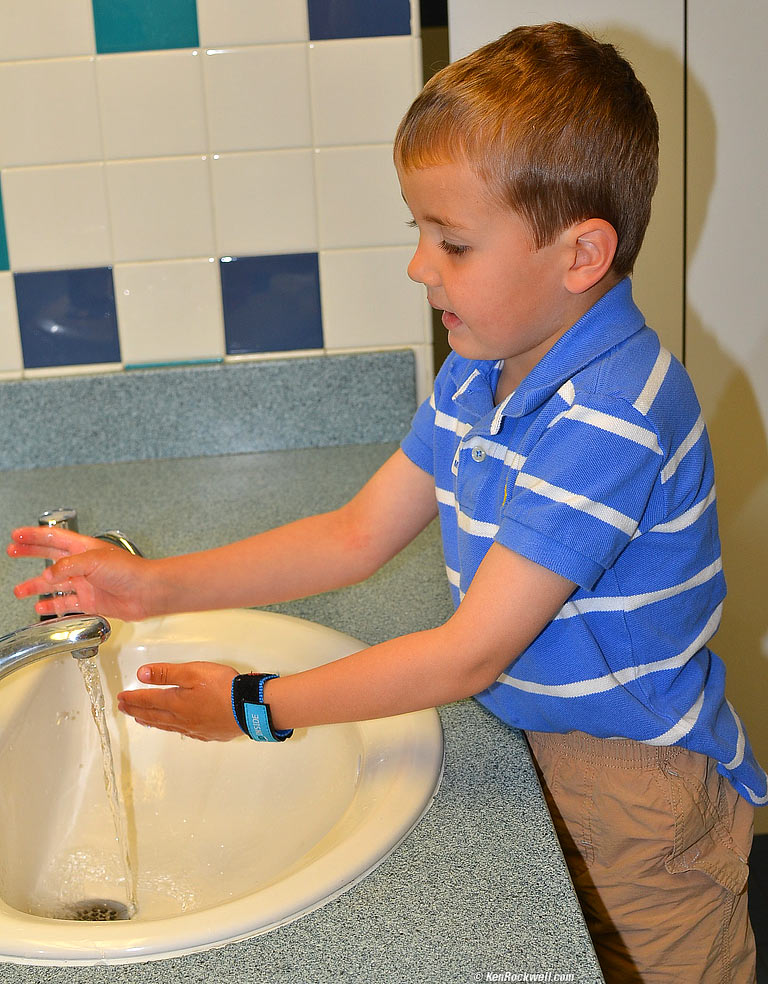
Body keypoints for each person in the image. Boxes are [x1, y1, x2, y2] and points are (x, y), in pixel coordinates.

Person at [7, 22, 765, 983]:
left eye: (451, 241)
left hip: (637, 784)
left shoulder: (613, 415)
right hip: (544, 747)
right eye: (418, 229)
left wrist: (255, 706)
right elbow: (357, 534)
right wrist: (154, 589)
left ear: (581, 256)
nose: (419, 265)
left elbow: (469, 651)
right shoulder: (480, 370)